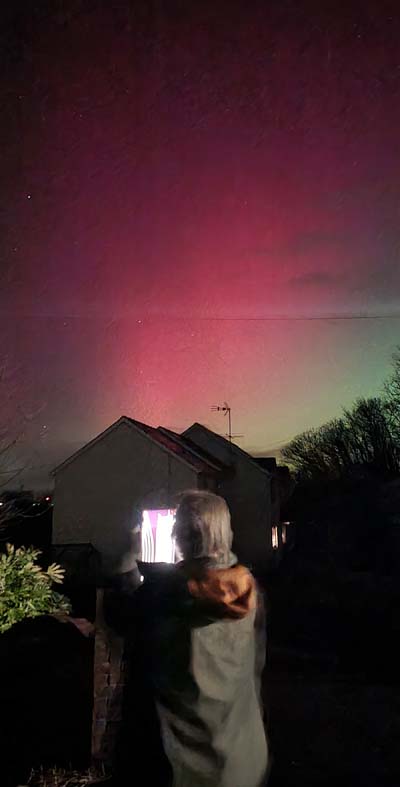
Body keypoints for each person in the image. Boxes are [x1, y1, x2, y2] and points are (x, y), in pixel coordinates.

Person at [105, 490, 269, 787]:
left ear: (177, 536)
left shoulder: (163, 594)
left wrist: (129, 550)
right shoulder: (249, 590)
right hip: (239, 761)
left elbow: (117, 614)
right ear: (225, 531)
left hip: (173, 767)